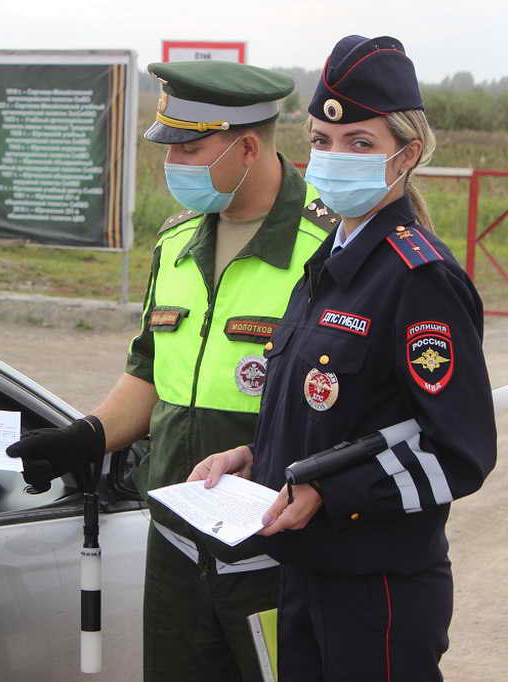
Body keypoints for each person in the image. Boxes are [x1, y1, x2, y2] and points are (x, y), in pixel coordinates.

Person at [8, 60, 339, 681]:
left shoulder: (329, 243)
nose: (174, 164)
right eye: (170, 148)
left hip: (276, 548)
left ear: (246, 146)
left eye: (190, 148)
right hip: (177, 543)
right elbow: (150, 372)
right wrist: (88, 435)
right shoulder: (177, 242)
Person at [188, 36, 497, 681]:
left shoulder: (419, 277)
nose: (333, 157)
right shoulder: (330, 258)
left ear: (405, 155)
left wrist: (332, 493)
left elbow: (459, 451)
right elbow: (325, 407)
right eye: (322, 142)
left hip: (378, 587)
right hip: (304, 569)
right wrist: (255, 457)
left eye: (360, 143)